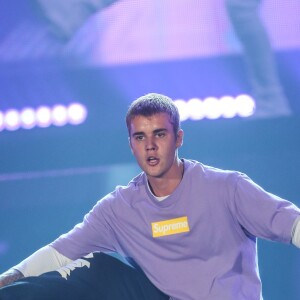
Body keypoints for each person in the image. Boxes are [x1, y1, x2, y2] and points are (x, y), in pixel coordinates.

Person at [0, 93, 299, 299]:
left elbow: (291, 224)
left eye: (160, 134)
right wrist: (6, 279)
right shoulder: (119, 209)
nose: (150, 146)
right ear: (131, 144)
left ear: (179, 138)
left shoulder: (227, 187)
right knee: (96, 269)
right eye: (140, 137)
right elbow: (58, 254)